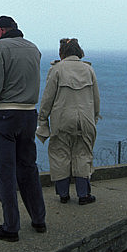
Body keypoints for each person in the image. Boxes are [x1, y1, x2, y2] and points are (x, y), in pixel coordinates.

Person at [0, 16, 47, 242]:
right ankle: (39, 218)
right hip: (29, 114)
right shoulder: (33, 48)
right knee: (28, 168)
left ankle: (11, 227)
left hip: (4, 116)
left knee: (4, 172)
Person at [36, 38, 100, 205]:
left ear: (62, 52)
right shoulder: (88, 69)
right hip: (85, 119)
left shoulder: (56, 69)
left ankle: (63, 194)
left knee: (60, 154)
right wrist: (94, 117)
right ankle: (84, 195)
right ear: (79, 51)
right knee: (83, 153)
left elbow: (48, 97)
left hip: (62, 119)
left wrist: (42, 119)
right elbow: (96, 98)